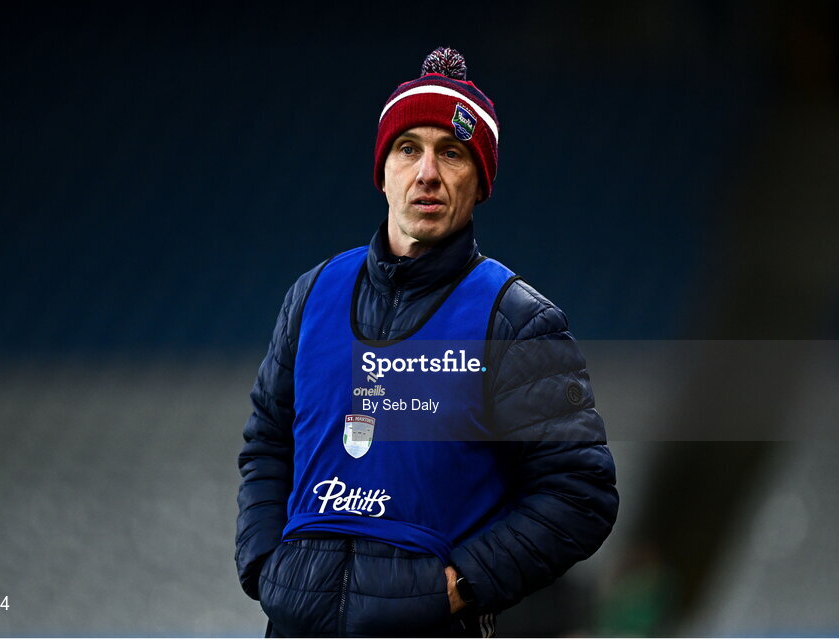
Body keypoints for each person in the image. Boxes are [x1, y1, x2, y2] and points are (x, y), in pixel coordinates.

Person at [236, 47, 618, 637]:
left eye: (453, 153)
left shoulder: (514, 320)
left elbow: (580, 493)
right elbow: (267, 442)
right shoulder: (312, 296)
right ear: (383, 169)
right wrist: (265, 567)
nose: (428, 173)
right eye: (408, 147)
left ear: (480, 181)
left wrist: (459, 587)